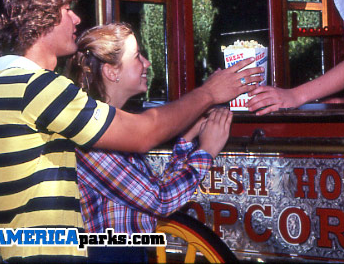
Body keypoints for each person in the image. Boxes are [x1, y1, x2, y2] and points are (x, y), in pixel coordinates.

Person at [0, 0, 261, 262]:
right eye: (66, 10)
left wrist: (187, 135)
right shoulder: (36, 87)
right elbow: (144, 135)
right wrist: (209, 93)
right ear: (39, 18)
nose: (77, 19)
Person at [65, 23, 231, 263]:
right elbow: (161, 201)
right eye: (137, 57)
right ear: (112, 72)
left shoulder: (114, 129)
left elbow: (151, 192)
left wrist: (186, 140)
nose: (147, 63)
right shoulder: (93, 139)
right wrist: (206, 151)